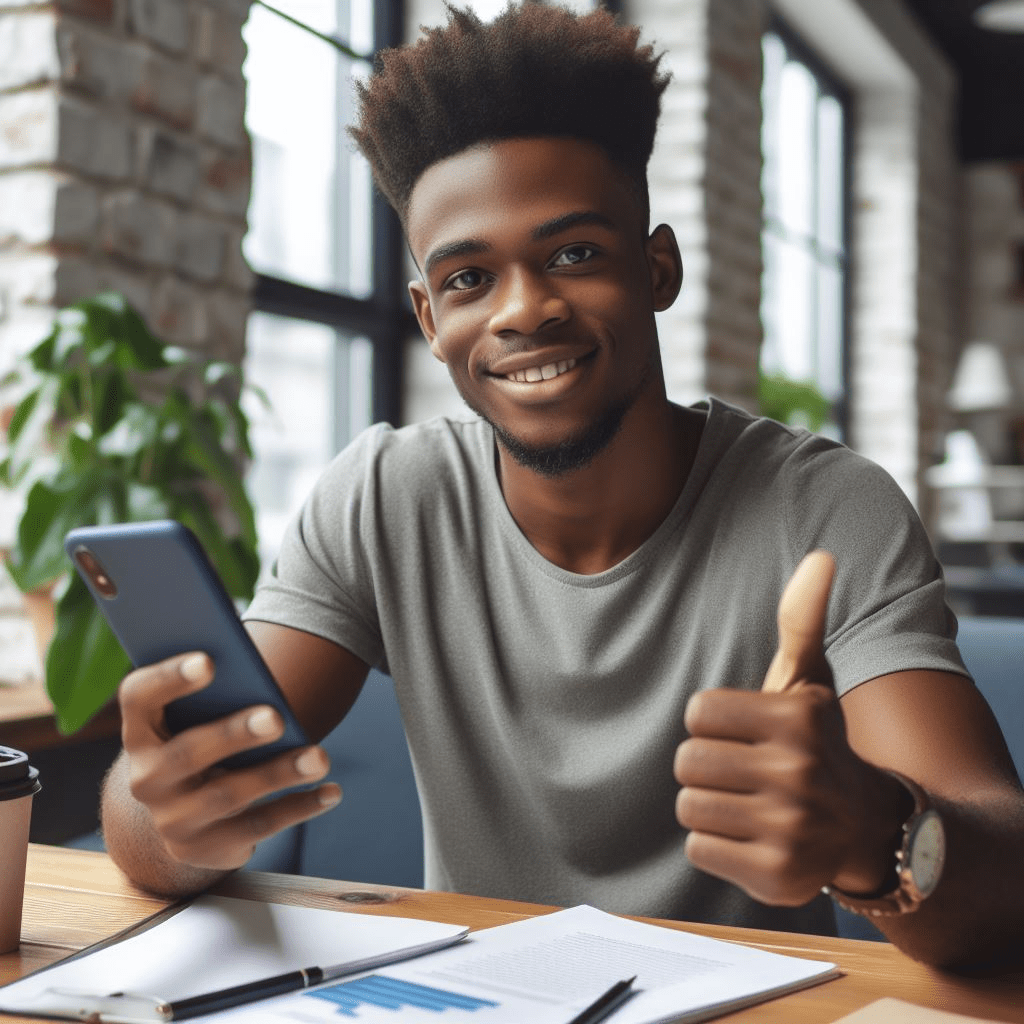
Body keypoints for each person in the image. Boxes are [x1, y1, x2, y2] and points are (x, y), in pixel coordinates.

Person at [100, 3, 1024, 967]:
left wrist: (872, 833)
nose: (524, 310)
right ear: (425, 315)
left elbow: (1004, 864)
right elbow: (154, 817)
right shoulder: (383, 498)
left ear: (656, 266)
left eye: (574, 254)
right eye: (467, 279)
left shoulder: (827, 508)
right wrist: (169, 809)